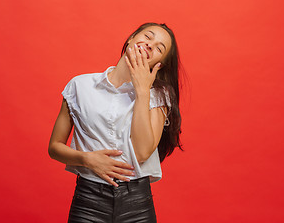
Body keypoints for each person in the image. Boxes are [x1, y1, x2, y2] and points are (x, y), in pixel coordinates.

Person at [48, 22, 183, 223]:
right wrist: (87, 159)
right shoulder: (80, 85)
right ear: (131, 38)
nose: (150, 45)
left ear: (159, 64)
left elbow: (142, 152)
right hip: (88, 199)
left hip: (137, 203)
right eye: (148, 36)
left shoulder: (159, 96)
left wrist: (142, 91)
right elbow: (54, 148)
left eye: (159, 48)